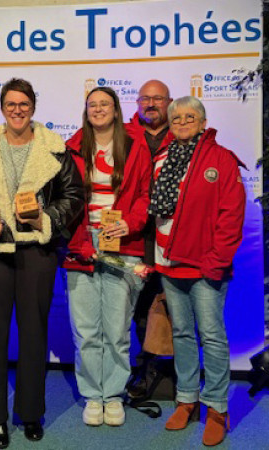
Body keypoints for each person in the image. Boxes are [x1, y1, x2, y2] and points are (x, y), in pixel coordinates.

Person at [0, 78, 84, 448]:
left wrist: (45, 218)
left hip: (36, 253)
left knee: (33, 334)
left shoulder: (56, 150)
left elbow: (74, 195)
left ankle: (31, 413)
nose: (17, 110)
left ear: (32, 107)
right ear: (2, 108)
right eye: (11, 104)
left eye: (23, 104)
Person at [150, 96, 245, 446]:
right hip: (168, 261)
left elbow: (232, 214)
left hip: (205, 265)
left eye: (190, 117)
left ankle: (217, 408)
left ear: (203, 122)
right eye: (176, 118)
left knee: (212, 336)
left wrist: (216, 261)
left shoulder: (221, 159)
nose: (182, 122)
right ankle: (186, 400)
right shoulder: (162, 157)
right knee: (182, 334)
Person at [63, 87, 152, 426]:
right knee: (86, 329)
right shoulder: (71, 147)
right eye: (92, 105)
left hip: (123, 243)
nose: (98, 109)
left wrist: (132, 223)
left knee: (116, 328)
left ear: (116, 110)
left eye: (105, 104)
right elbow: (63, 197)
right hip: (81, 244)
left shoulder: (135, 145)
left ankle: (113, 394)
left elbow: (145, 194)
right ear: (86, 111)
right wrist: (75, 238)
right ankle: (92, 394)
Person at [124, 80, 175, 396]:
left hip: (174, 235)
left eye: (158, 98)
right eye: (145, 98)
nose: (151, 103)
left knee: (174, 305)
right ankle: (145, 370)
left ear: (169, 102)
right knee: (141, 307)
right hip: (135, 235)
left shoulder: (184, 135)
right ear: (137, 102)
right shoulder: (122, 135)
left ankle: (172, 372)